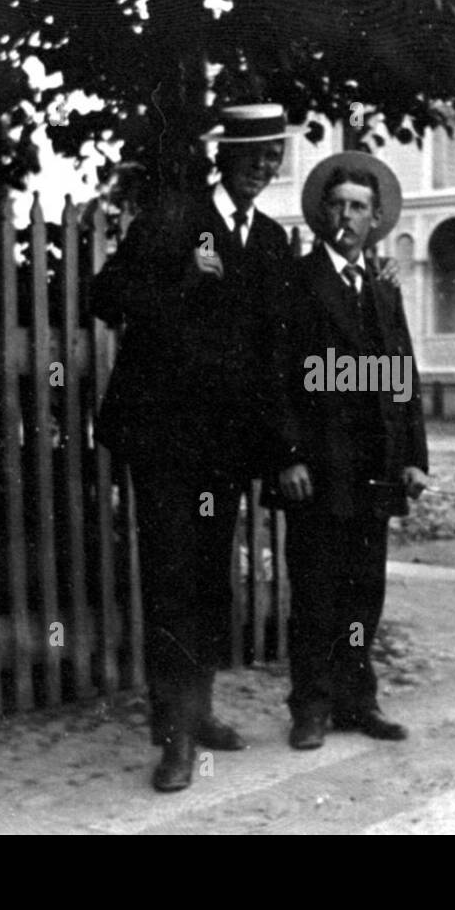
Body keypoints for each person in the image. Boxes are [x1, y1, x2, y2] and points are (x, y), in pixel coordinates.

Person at [91, 103, 292, 792]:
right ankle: (174, 740)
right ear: (225, 156)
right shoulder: (175, 219)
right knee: (172, 581)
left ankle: (197, 711)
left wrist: (277, 449)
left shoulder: (268, 241)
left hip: (224, 449)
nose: (265, 167)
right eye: (253, 154)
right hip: (165, 440)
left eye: (275, 155)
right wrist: (184, 283)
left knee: (210, 581)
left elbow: (272, 356)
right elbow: (104, 293)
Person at [267, 152, 430, 751]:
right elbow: (276, 378)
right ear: (320, 216)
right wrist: (287, 456)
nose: (346, 216)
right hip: (317, 468)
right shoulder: (297, 284)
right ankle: (310, 706)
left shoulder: (384, 291)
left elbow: (403, 376)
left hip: (375, 469)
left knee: (365, 591)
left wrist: (414, 456)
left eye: (358, 206)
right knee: (314, 591)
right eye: (336, 206)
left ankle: (357, 700)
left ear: (375, 217)